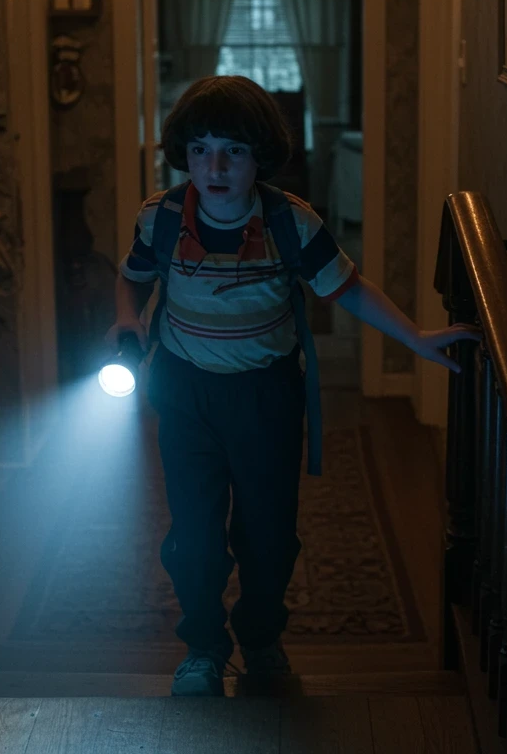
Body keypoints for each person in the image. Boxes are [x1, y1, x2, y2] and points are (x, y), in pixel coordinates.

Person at [106, 76, 480, 697]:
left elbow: (348, 288)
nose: (215, 168)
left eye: (233, 150)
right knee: (193, 537)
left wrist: (415, 337)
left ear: (260, 155)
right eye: (200, 150)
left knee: (269, 536)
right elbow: (133, 277)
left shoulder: (290, 222)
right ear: (183, 154)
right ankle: (203, 647)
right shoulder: (162, 217)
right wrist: (126, 317)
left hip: (266, 399)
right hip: (186, 395)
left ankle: (260, 640)